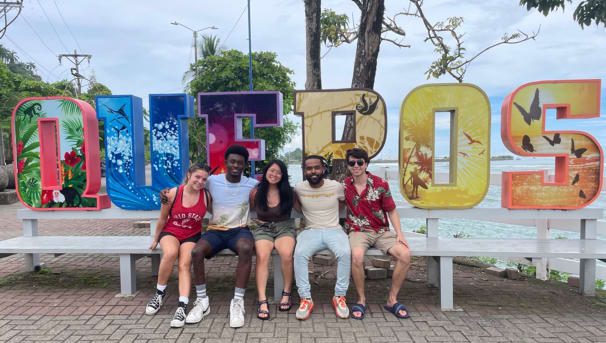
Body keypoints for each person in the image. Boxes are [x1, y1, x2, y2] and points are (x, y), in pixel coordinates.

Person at [184, 145, 258, 328]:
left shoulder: (252, 183)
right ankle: (202, 301)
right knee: (196, 252)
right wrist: (168, 193)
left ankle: (238, 301)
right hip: (216, 230)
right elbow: (191, 185)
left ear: (245, 165)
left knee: (247, 248)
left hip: (239, 230)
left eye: (240, 163)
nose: (236, 165)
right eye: (232, 161)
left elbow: (276, 188)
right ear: (226, 163)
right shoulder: (212, 181)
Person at [343, 148, 411, 320]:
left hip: (381, 231)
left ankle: (392, 299)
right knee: (357, 257)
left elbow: (392, 211)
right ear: (348, 165)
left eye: (360, 162)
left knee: (405, 255)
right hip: (358, 231)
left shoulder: (381, 184)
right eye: (352, 162)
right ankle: (361, 300)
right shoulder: (344, 185)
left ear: (366, 164)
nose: (356, 166)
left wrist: (400, 234)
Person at [145, 163, 211, 328]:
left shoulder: (206, 196)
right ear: (189, 174)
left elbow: (219, 212)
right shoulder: (173, 193)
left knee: (184, 265)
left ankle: (182, 306)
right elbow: (162, 218)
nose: (200, 181)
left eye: (204, 179)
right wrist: (155, 239)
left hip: (191, 235)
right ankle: (159, 293)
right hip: (171, 233)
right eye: (197, 177)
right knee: (170, 254)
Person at [292, 155, 351, 320]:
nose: (313, 171)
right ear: (304, 171)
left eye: (316, 167)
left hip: (334, 229)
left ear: (324, 169)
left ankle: (339, 296)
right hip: (311, 230)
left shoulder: (336, 186)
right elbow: (296, 205)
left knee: (345, 253)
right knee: (299, 254)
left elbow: (344, 203)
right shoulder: (299, 188)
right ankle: (306, 298)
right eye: (309, 168)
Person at [248, 160, 297, 320]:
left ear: (282, 175)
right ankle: (262, 300)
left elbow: (304, 208)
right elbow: (247, 209)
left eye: (278, 172)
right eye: (271, 170)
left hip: (285, 227)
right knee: (262, 256)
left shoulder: (289, 191)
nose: (274, 174)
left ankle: (287, 292)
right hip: (263, 228)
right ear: (266, 171)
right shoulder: (256, 192)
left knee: (286, 254)